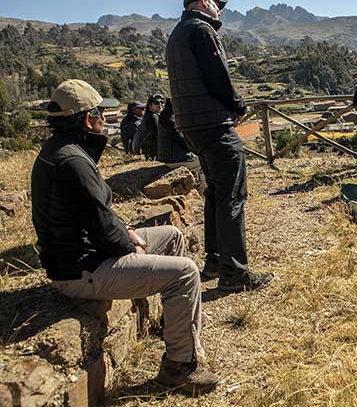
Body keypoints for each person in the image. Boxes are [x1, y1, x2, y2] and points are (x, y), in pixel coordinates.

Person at [31, 79, 218, 393]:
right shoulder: (74, 163)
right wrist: (128, 241)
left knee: (172, 236)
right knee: (185, 274)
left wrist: (126, 231)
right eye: (100, 115)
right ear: (88, 119)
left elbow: (96, 214)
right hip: (82, 270)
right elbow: (103, 229)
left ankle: (174, 332)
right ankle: (179, 367)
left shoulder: (60, 152)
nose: (104, 121)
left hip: (82, 257)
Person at [166, 0, 272, 292]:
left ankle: (214, 261)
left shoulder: (178, 34)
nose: (220, 9)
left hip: (192, 127)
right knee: (233, 196)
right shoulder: (201, 30)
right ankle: (234, 273)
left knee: (215, 191)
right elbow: (218, 75)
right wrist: (237, 105)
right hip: (214, 124)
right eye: (216, 3)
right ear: (202, 1)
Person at [158, 98, 206, 185]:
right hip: (175, 157)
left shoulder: (169, 112)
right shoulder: (169, 115)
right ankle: (207, 193)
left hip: (172, 155)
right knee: (206, 163)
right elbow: (179, 138)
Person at [133, 94, 164, 160]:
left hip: (150, 152)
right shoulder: (153, 118)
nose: (160, 104)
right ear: (150, 106)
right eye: (156, 102)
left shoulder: (149, 116)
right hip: (154, 152)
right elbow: (159, 135)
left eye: (162, 102)